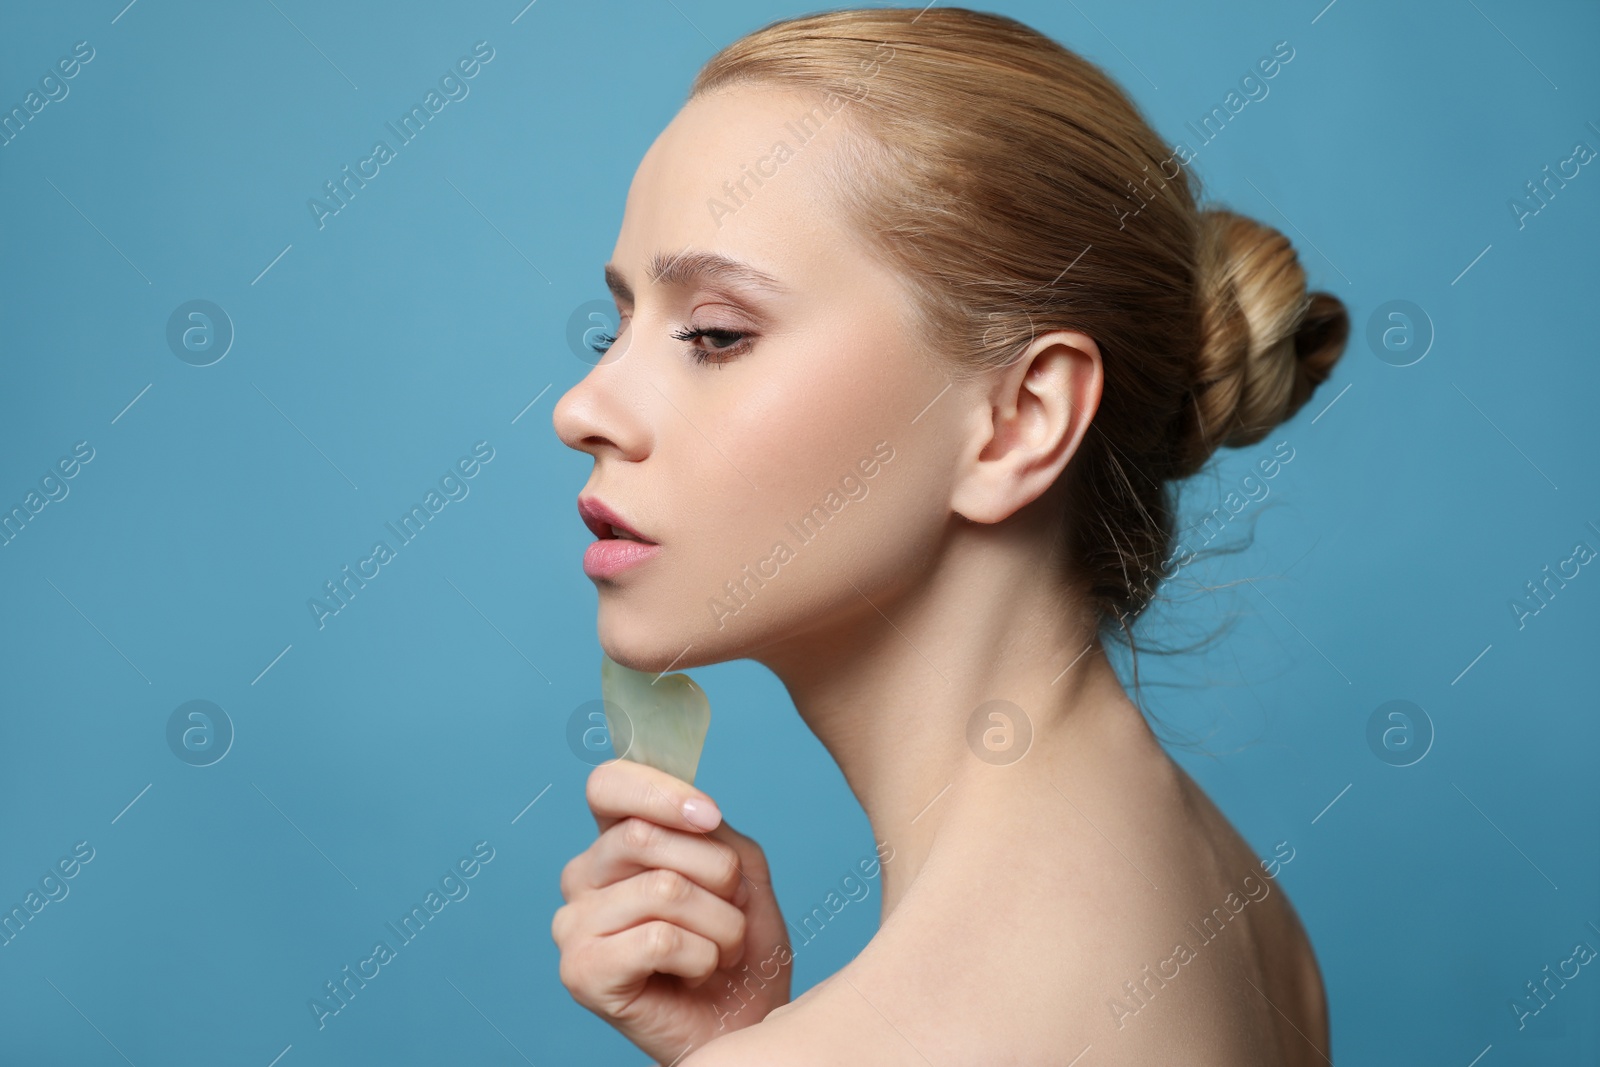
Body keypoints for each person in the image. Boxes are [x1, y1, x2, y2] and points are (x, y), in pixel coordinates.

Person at [550, 7, 1347, 1064]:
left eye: (714, 333)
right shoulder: (1236, 910)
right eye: (620, 326)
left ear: (1019, 420)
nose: (583, 407)